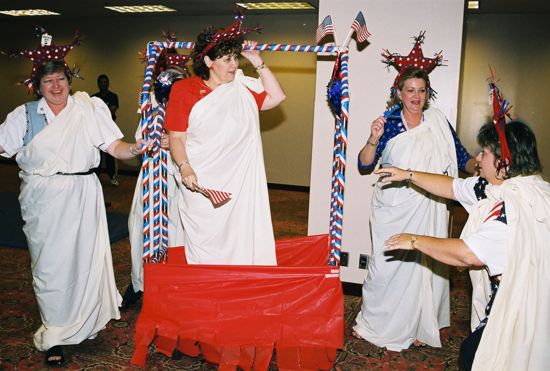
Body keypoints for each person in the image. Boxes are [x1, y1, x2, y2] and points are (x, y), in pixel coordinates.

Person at [0, 60, 147, 366]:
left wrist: (135, 148)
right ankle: (55, 333)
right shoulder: (24, 116)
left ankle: (82, 324)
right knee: (49, 267)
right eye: (47, 82)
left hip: (83, 193)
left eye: (60, 79)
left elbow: (114, 146)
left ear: (70, 79)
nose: (55, 87)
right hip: (42, 197)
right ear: (37, 87)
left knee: (83, 261)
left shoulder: (87, 108)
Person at [379, 120, 550, 370]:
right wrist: (408, 174)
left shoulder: (511, 208)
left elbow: (467, 255)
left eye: (485, 153)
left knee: (480, 355)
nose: (478, 159)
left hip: (523, 310)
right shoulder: (519, 188)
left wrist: (414, 240)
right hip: (535, 299)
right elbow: (453, 187)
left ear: (504, 162)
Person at [353, 67, 476, 351]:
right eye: (410, 90)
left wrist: (481, 170)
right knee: (386, 266)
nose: (416, 96)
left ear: (427, 93)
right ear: (399, 92)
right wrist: (373, 138)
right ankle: (375, 322)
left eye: (421, 90)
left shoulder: (438, 122)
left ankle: (421, 323)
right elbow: (364, 164)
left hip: (430, 204)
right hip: (393, 207)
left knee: (426, 264)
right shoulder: (390, 123)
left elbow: (461, 157)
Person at [164, 26, 285, 265]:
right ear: (208, 60)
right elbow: (176, 137)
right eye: (226, 59)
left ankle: (236, 291)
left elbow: (277, 97)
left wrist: (257, 62)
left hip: (239, 182)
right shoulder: (184, 89)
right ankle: (207, 292)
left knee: (240, 241)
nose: (234, 65)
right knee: (204, 245)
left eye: (235, 58)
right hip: (201, 179)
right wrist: (184, 167)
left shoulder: (242, 87)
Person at [123, 66, 187, 308]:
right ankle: (138, 282)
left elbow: (205, 139)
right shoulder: (152, 105)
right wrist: (147, 141)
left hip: (179, 177)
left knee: (176, 232)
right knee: (139, 226)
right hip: (151, 176)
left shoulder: (194, 107)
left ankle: (172, 287)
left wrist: (175, 141)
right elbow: (140, 135)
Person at [93, 74, 120, 186]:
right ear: (98, 84)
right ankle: (96, 178)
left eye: (105, 81)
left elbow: (111, 111)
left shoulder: (113, 96)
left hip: (109, 131)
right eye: (101, 82)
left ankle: (113, 177)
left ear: (108, 83)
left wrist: (100, 112)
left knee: (110, 154)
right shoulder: (93, 98)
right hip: (97, 130)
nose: (103, 83)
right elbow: (92, 114)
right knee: (97, 155)